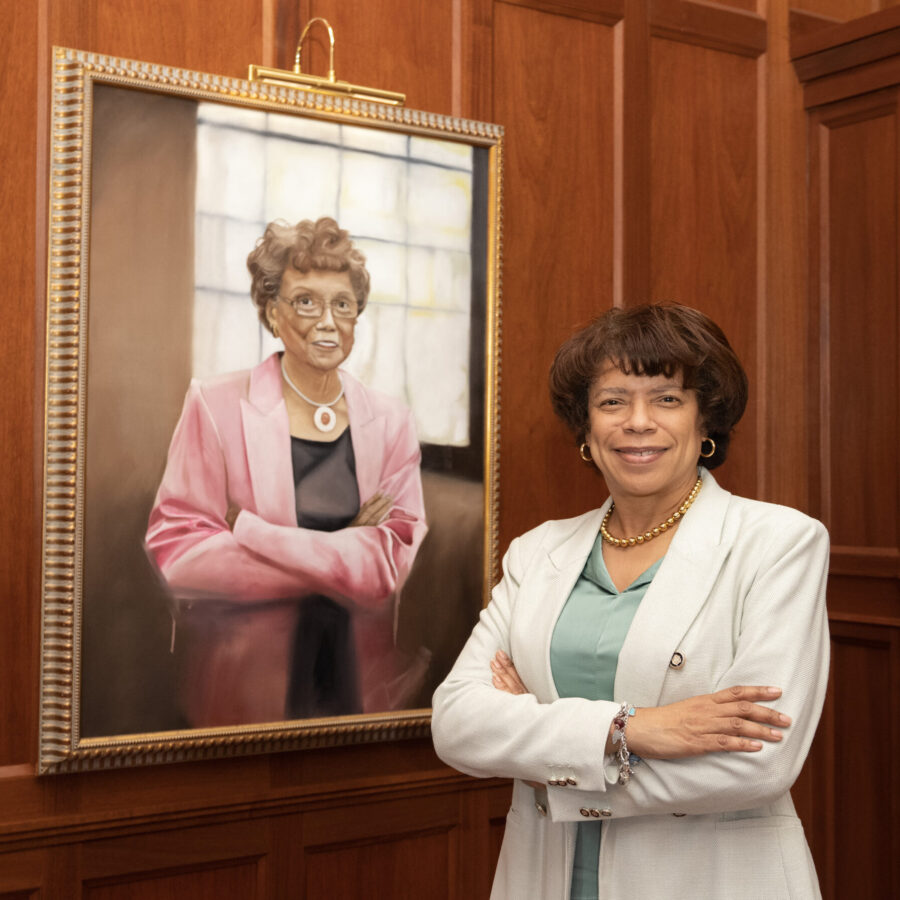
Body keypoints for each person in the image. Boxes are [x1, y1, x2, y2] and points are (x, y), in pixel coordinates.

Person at [432, 304, 829, 899]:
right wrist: (638, 728)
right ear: (587, 430)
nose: (637, 422)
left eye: (667, 398)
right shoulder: (537, 551)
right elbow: (457, 724)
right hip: (547, 878)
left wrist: (548, 767)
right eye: (612, 401)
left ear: (705, 422)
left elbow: (758, 762)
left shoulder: (779, 543)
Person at [146, 217, 428, 727]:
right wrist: (345, 549)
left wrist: (253, 533)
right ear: (273, 314)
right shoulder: (214, 405)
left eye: (342, 304)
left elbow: (386, 570)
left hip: (360, 689)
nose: (327, 321)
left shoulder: (390, 421)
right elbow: (180, 551)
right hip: (246, 688)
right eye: (306, 302)